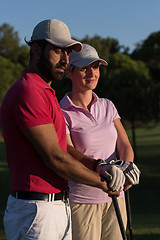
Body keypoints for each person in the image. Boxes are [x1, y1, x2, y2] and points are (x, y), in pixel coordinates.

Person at [0, 20, 125, 240]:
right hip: (36, 211)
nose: (65, 59)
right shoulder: (28, 91)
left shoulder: (45, 91)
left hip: (56, 207)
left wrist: (99, 166)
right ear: (37, 50)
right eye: (58, 51)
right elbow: (54, 157)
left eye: (67, 52)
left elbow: (64, 149)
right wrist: (103, 183)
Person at [60, 43, 140, 240]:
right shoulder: (62, 110)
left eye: (95, 67)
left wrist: (127, 166)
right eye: (84, 68)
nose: (91, 73)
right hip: (82, 201)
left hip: (115, 196)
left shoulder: (107, 105)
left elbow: (124, 145)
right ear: (70, 72)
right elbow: (68, 150)